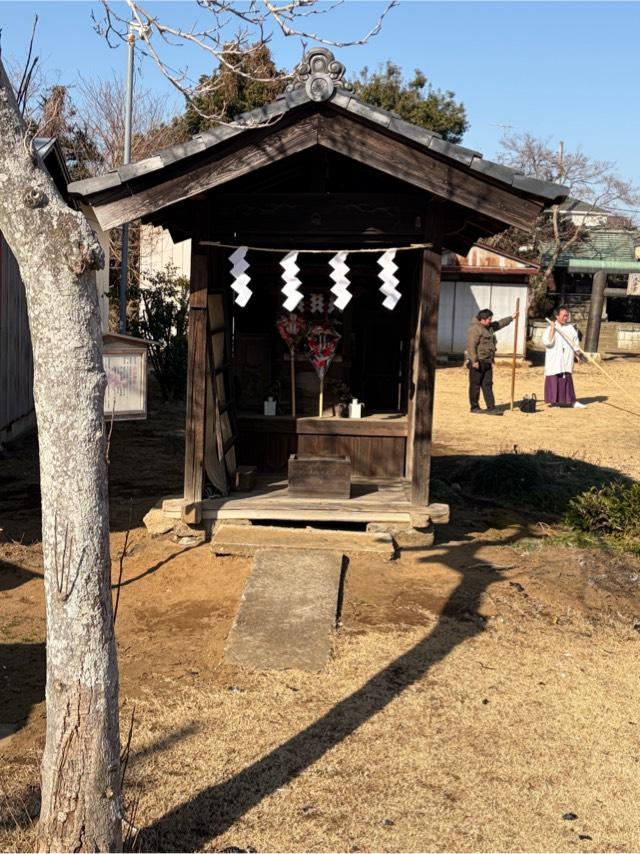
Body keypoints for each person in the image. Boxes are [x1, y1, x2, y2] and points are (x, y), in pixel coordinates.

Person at [466, 308, 518, 415]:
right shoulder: (475, 329)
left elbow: (499, 324)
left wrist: (512, 318)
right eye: (489, 319)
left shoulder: (488, 327)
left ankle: (491, 408)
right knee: (475, 385)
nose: (491, 321)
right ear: (482, 319)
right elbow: (471, 346)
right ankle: (474, 407)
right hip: (478, 361)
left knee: (487, 385)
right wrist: (474, 361)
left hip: (487, 361)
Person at [543, 305, 586, 408]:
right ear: (557, 316)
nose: (566, 318)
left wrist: (578, 356)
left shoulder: (570, 328)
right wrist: (552, 329)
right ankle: (554, 402)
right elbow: (548, 342)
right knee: (554, 378)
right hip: (554, 359)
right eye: (563, 315)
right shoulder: (550, 328)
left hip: (566, 358)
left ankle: (572, 402)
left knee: (567, 378)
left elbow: (575, 344)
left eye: (567, 315)